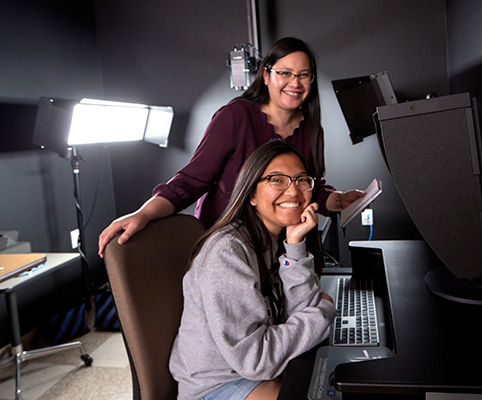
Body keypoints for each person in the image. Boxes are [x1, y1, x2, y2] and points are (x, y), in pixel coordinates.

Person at [98, 37, 364, 257]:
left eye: (303, 75)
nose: (295, 83)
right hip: (228, 246)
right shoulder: (235, 116)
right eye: (285, 73)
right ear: (266, 74)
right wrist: (143, 214)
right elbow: (190, 182)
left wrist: (338, 200)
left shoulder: (311, 128)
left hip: (281, 249)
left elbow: (306, 188)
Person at [169, 140, 336, 400]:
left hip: (257, 370)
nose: (293, 191)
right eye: (277, 180)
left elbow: (301, 309)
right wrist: (324, 313)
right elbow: (255, 360)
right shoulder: (227, 253)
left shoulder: (280, 238)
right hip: (218, 385)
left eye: (302, 180)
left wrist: (295, 246)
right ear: (251, 195)